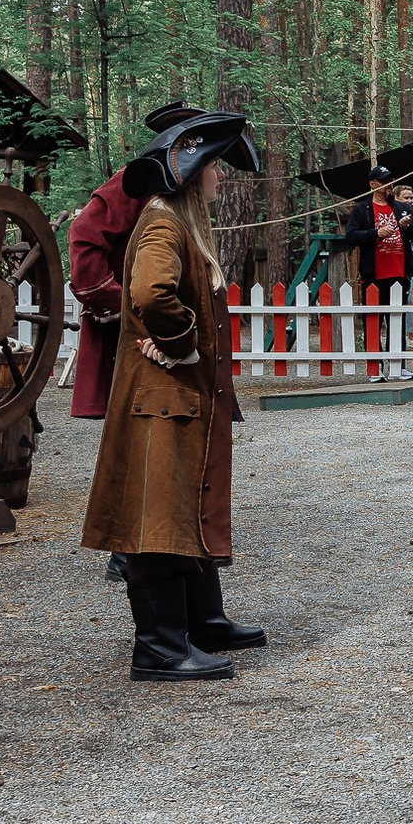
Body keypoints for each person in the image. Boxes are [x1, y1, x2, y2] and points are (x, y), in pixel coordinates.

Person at [81, 112, 268, 683]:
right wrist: (182, 340)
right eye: (215, 168)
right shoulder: (164, 226)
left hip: (178, 399)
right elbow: (149, 292)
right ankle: (159, 648)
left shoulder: (180, 223)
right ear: (190, 172)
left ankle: (197, 624)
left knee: (184, 507)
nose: (221, 179)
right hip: (161, 400)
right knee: (157, 517)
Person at [66, 101, 202, 581]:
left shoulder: (176, 188)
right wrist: (121, 305)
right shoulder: (136, 180)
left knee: (163, 443)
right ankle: (130, 554)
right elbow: (83, 236)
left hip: (160, 330)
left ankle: (156, 552)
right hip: (138, 332)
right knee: (142, 440)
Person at [344, 166, 413, 381]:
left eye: (391, 180)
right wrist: (376, 233)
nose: (389, 184)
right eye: (384, 181)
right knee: (373, 321)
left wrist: (406, 226)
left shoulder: (402, 207)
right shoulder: (362, 209)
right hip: (374, 274)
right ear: (373, 185)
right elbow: (350, 236)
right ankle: (374, 367)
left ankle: (399, 364)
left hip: (399, 272)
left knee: (396, 319)